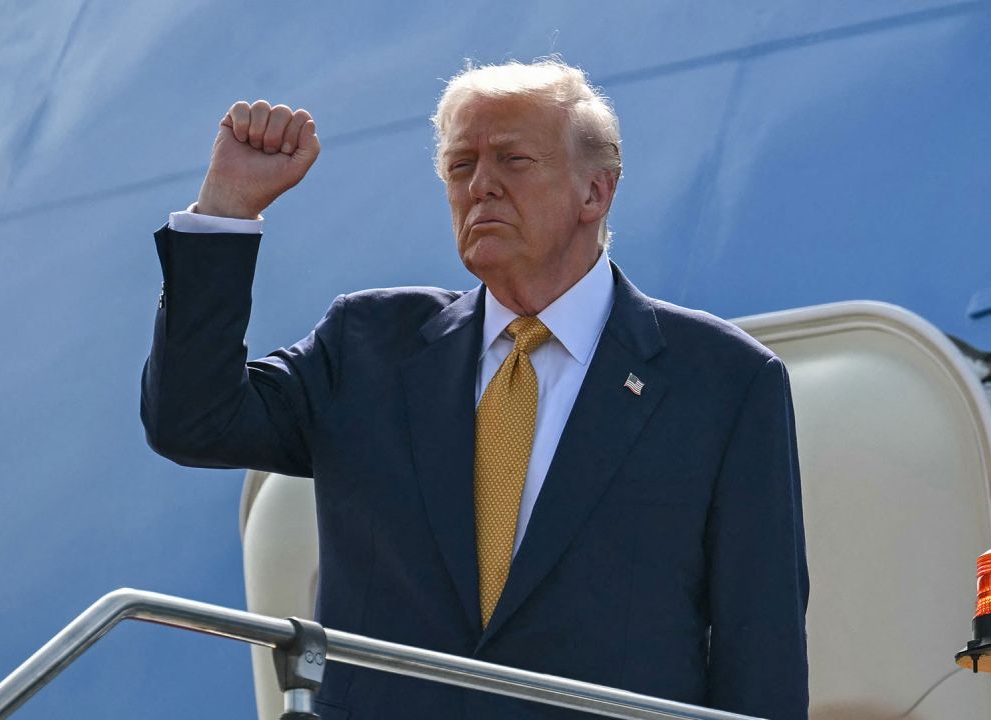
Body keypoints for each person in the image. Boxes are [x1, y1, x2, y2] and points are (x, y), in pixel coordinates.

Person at [142, 59, 808, 720]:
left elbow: (762, 653)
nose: (481, 185)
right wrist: (226, 210)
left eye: (513, 160)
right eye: (461, 166)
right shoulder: (367, 346)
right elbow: (193, 421)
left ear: (595, 194)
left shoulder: (723, 382)